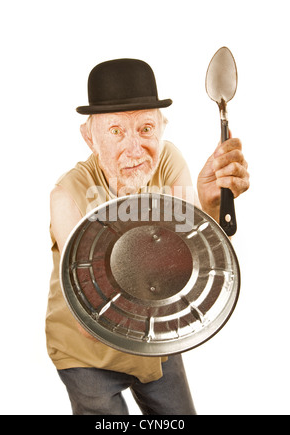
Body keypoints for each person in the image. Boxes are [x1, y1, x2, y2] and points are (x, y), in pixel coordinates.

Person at [46, 58, 249, 415]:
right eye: (115, 132)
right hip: (87, 353)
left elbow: (194, 265)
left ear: (162, 127)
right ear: (88, 137)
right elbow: (93, 318)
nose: (134, 150)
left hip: (154, 344)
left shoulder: (168, 161)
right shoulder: (68, 195)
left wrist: (210, 207)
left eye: (145, 129)